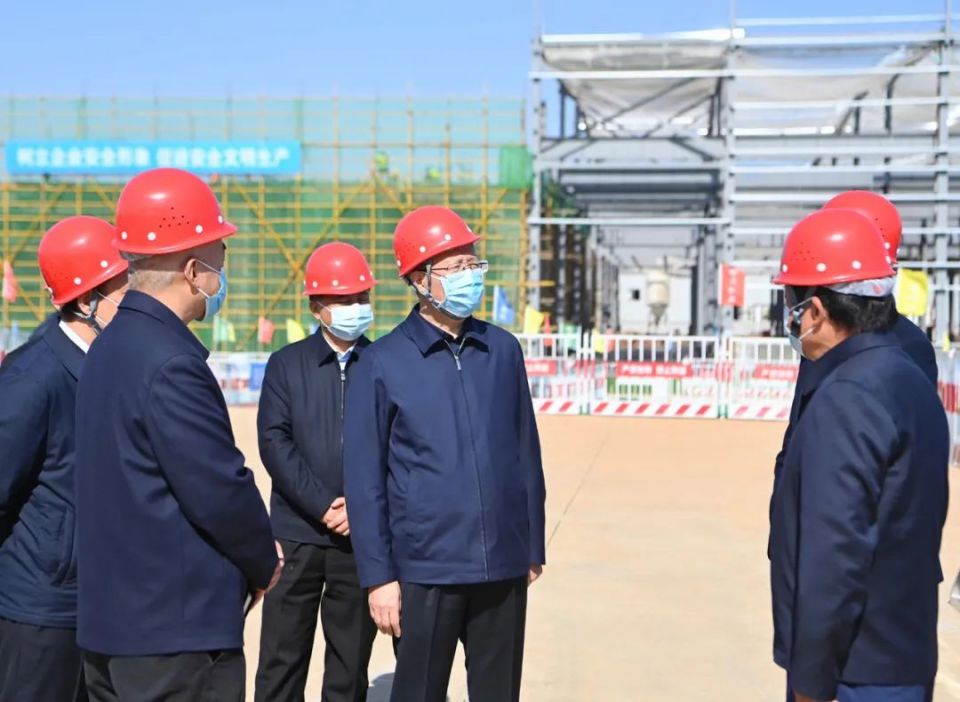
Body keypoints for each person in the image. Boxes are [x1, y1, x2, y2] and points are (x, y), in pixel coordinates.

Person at [73, 168, 282, 701]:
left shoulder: (108, 347)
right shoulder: (170, 362)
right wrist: (264, 560)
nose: (221, 278)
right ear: (193, 270)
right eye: (219, 261)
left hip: (113, 626)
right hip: (175, 636)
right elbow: (218, 489)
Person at [343, 205, 547, 702]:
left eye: (473, 264)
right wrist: (379, 577)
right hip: (425, 570)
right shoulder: (382, 362)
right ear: (419, 279)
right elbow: (364, 480)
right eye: (455, 268)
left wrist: (531, 545)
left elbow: (525, 453)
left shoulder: (502, 350)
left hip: (501, 565)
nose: (469, 277)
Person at [768, 208, 949, 702]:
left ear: (815, 310)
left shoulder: (846, 396)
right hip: (900, 652)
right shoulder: (907, 377)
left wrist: (810, 683)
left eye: (790, 303)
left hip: (853, 669)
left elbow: (834, 554)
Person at [0, 216, 128, 701]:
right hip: (41, 610)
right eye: (125, 287)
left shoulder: (112, 366)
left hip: (102, 602)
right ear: (87, 299)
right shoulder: (32, 378)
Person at [255, 242, 378, 702]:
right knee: (282, 659)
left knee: (350, 663)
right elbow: (275, 443)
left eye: (361, 298)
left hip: (358, 538)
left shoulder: (382, 365)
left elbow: (394, 446)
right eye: (343, 300)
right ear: (316, 307)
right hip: (296, 535)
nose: (355, 307)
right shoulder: (286, 364)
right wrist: (324, 505)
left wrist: (359, 508)